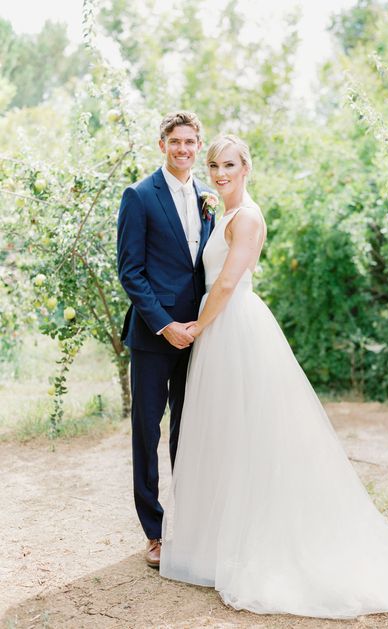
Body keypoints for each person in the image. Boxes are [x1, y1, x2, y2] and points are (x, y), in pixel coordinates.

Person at [159, 134, 388, 619]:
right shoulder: (219, 214)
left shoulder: (250, 216)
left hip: (233, 326)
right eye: (215, 164)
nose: (220, 173)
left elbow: (227, 281)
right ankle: (214, 545)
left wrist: (198, 327)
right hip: (220, 331)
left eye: (230, 165)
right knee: (222, 435)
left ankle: (257, 544)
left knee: (251, 435)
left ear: (247, 169)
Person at [117, 111, 215, 568]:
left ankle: (190, 526)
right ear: (162, 145)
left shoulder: (206, 197)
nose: (183, 149)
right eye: (175, 141)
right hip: (155, 338)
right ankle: (154, 533)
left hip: (199, 335)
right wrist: (165, 325)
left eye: (190, 142)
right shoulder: (139, 196)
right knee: (146, 433)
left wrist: (199, 325)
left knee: (189, 432)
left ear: (199, 145)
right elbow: (131, 272)